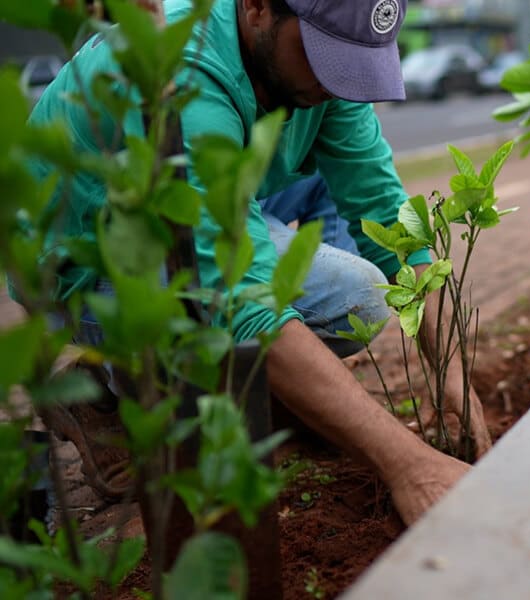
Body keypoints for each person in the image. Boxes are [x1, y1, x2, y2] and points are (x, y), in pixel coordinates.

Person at [29, 0, 492, 526]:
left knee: (329, 177)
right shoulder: (186, 71)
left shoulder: (318, 76)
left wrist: (453, 370)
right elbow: (244, 302)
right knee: (355, 297)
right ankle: (111, 386)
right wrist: (408, 465)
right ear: (255, 8)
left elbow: (385, 213)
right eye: (324, 56)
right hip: (91, 262)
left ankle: (292, 391)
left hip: (206, 203)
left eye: (351, 61)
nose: (336, 81)